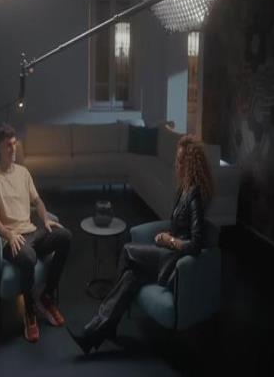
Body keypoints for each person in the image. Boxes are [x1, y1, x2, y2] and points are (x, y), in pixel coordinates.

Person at [67, 134, 213, 354]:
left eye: (180, 160)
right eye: (177, 159)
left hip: (175, 261)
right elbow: (179, 228)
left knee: (127, 250)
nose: (176, 164)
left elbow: (196, 244)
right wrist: (168, 234)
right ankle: (94, 334)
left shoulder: (195, 196)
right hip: (168, 253)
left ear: (190, 165)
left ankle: (105, 324)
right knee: (130, 276)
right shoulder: (183, 190)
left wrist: (170, 240)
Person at [0, 123, 72, 343]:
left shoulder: (23, 172)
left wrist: (46, 219)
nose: (13, 149)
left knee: (65, 236)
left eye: (14, 144)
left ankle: (46, 295)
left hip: (31, 233)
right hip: (11, 240)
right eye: (8, 145)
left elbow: (38, 201)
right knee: (29, 257)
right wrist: (8, 235)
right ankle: (29, 312)